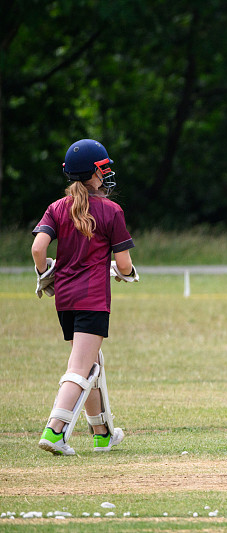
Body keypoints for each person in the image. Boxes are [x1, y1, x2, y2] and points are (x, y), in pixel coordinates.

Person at [33, 139, 136, 456]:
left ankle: (102, 434)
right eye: (103, 168)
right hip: (93, 299)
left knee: (92, 364)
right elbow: (124, 265)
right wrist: (124, 271)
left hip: (64, 298)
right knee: (80, 368)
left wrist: (45, 271)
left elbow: (38, 248)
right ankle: (55, 430)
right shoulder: (111, 210)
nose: (106, 173)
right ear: (94, 173)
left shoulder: (56, 207)